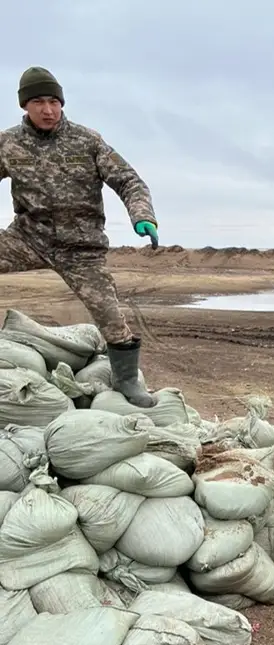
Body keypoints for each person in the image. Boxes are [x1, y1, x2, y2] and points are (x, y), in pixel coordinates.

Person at [0, 67, 160, 407]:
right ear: (24, 106)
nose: (48, 110)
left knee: (111, 317)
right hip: (29, 237)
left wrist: (142, 216)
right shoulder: (9, 143)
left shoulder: (87, 141)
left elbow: (129, 180)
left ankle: (128, 381)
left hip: (81, 249)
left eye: (54, 101)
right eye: (39, 102)